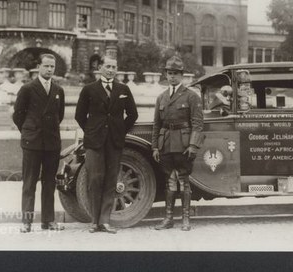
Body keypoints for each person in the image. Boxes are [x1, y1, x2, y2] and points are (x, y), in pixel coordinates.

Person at [75, 56, 138, 234]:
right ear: (100, 67)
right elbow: (80, 115)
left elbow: (133, 115)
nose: (111, 70)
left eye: (114, 67)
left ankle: (105, 220)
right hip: (94, 142)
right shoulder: (89, 89)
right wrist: (91, 131)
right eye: (107, 66)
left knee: (111, 180)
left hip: (114, 142)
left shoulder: (123, 89)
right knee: (95, 179)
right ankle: (94, 221)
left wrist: (120, 131)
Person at [12, 54, 65, 233]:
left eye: (52, 66)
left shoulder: (58, 90)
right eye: (46, 66)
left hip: (52, 143)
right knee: (29, 183)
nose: (50, 69)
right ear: (39, 67)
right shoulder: (27, 88)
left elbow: (60, 116)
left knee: (49, 183)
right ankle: (26, 222)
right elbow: (18, 115)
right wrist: (29, 131)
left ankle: (48, 221)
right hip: (32, 143)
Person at [151, 55, 204, 231]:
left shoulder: (191, 96)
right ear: (166, 74)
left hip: (183, 145)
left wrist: (193, 145)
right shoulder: (161, 97)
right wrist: (155, 146)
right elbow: (157, 125)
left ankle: (186, 220)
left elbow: (197, 124)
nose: (172, 76)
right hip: (166, 144)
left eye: (175, 73)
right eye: (169, 73)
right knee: (170, 181)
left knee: (184, 181)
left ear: (182, 75)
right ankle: (168, 219)